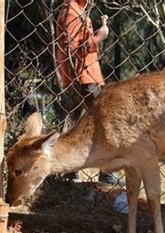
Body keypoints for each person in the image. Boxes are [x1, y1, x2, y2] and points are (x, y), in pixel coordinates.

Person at [56, 0, 120, 185]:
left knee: (76, 124)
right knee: (106, 120)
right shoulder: (71, 13)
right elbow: (73, 49)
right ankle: (107, 172)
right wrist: (99, 36)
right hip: (85, 76)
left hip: (82, 75)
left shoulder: (74, 10)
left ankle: (70, 171)